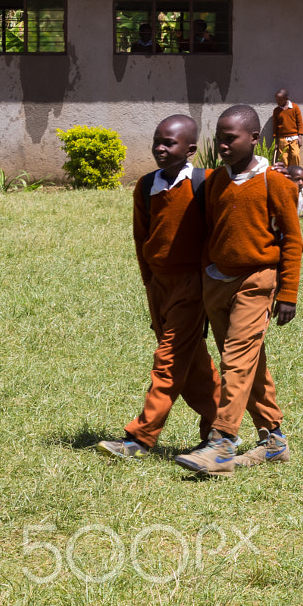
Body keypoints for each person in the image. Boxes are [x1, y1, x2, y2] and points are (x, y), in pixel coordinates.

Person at [174, 105, 302, 476]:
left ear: (254, 139)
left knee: (235, 361)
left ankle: (221, 443)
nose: (223, 144)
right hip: (217, 285)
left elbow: (293, 241)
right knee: (250, 364)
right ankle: (273, 441)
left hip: (256, 281)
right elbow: (207, 235)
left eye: (231, 138)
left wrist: (288, 293)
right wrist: (203, 284)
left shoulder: (274, 182)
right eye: (220, 137)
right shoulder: (215, 181)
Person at [98, 115, 220, 462]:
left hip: (191, 287)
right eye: (157, 142)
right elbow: (141, 237)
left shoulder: (204, 184)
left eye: (170, 143)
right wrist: (148, 280)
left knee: (168, 360)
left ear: (191, 149)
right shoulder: (146, 186)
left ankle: (140, 438)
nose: (160, 149)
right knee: (192, 363)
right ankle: (219, 428)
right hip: (158, 285)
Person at [270, 89, 303, 169]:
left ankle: (294, 173)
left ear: (286, 98)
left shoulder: (295, 107)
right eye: (277, 100)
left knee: (295, 155)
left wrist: (300, 136)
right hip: (282, 138)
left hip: (294, 137)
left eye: (280, 100)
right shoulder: (276, 110)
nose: (278, 102)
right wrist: (276, 140)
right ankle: (284, 175)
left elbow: (300, 123)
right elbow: (275, 126)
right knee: (283, 158)